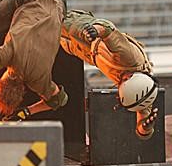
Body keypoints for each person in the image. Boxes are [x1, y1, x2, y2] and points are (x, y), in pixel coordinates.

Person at [60, 9, 158, 140]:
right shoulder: (129, 57)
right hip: (84, 31)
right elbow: (108, 29)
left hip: (83, 50)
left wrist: (145, 129)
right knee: (51, 23)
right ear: (131, 77)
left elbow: (142, 120)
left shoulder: (143, 92)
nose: (119, 82)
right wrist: (94, 30)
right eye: (123, 82)